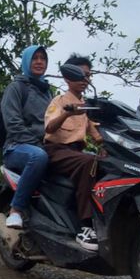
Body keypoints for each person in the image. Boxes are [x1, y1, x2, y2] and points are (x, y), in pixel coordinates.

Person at [43, 55, 102, 251]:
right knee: (89, 162)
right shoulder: (60, 101)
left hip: (76, 154)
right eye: (81, 75)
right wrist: (68, 112)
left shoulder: (87, 106)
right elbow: (50, 128)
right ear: (69, 77)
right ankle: (85, 226)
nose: (85, 80)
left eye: (88, 76)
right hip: (56, 151)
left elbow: (96, 133)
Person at [0, 45, 52, 228]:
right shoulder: (16, 87)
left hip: (44, 145)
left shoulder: (47, 91)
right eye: (35, 58)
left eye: (43, 58)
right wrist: (37, 144)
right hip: (17, 147)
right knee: (38, 157)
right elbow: (13, 124)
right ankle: (16, 210)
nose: (39, 62)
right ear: (26, 61)